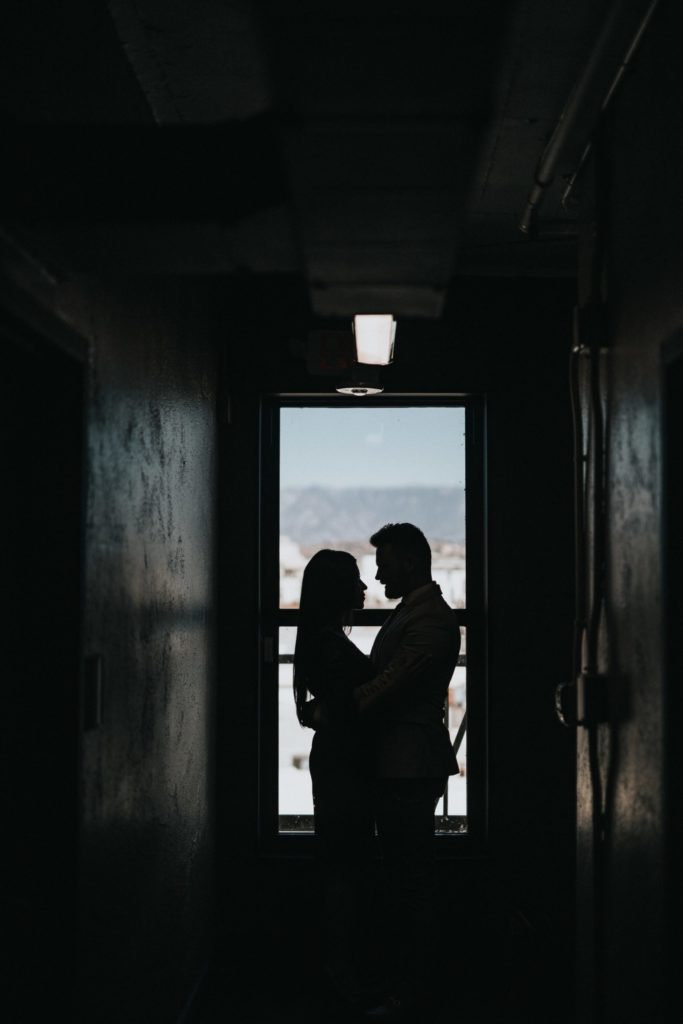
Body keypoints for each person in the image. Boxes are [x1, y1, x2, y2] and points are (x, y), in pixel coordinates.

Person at [351, 522, 461, 1020]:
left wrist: (335, 710)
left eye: (385, 563)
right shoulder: (418, 614)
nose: (376, 573)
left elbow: (390, 683)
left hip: (409, 763)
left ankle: (413, 993)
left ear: (411, 563)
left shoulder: (431, 619)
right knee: (404, 878)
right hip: (402, 760)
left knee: (410, 882)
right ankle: (409, 988)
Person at [293, 548, 376, 1009]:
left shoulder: (320, 639)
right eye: (355, 580)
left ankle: (338, 970)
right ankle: (340, 972)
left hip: (338, 761)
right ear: (337, 591)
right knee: (345, 868)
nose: (364, 588)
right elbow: (353, 707)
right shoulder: (330, 643)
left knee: (341, 864)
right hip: (345, 765)